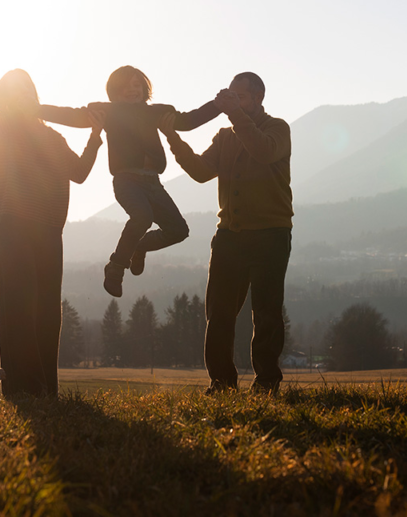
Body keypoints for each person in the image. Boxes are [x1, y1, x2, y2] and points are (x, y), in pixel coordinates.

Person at [159, 72, 293, 395]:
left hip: (270, 234)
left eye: (241, 97)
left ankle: (267, 383)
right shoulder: (225, 136)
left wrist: (234, 114)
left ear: (259, 98)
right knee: (218, 313)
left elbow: (261, 151)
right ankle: (221, 383)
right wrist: (174, 139)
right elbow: (201, 172)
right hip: (229, 236)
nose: (233, 102)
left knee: (266, 312)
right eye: (230, 96)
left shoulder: (278, 129)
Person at [40, 66, 220, 297]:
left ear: (145, 89)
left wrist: (218, 105)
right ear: (114, 91)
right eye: (125, 86)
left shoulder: (157, 112)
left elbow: (189, 121)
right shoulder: (108, 111)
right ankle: (115, 268)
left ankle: (140, 246)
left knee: (179, 230)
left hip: (153, 182)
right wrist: (35, 109)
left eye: (137, 85)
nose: (132, 90)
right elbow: (72, 115)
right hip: (126, 181)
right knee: (142, 217)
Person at [0, 68, 102, 398]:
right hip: (12, 223)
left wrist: (94, 137)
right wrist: (11, 115)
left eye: (29, 92)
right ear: (3, 99)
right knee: (18, 305)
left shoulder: (51, 137)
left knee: (47, 309)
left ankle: (45, 388)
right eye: (16, 93)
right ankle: (22, 389)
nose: (24, 97)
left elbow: (79, 173)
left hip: (49, 227)